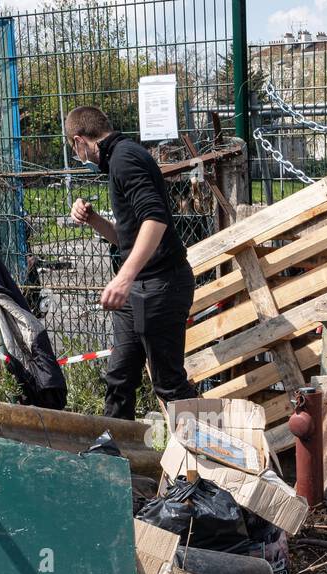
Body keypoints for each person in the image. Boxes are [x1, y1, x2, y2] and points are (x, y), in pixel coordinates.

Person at [65, 106, 198, 420]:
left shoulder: (125, 159)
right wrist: (94, 219)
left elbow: (156, 219)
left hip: (160, 285)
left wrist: (122, 278)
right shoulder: (118, 160)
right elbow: (131, 240)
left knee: (170, 386)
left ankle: (210, 462)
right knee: (120, 378)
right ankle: (114, 457)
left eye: (75, 149)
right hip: (138, 290)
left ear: (79, 141)